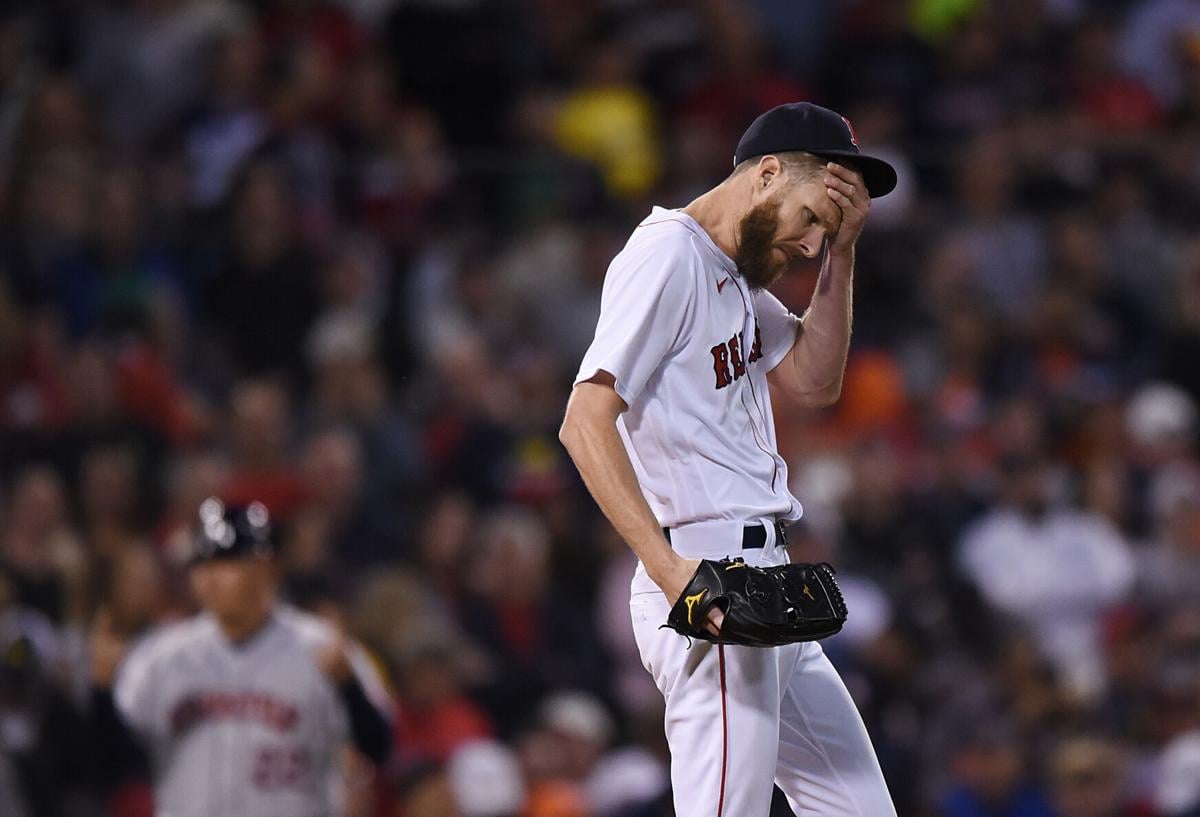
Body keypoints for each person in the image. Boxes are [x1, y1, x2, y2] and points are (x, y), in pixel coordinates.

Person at [559, 102, 898, 815]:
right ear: (768, 173)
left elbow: (813, 380)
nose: (809, 245)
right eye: (811, 217)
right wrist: (672, 572)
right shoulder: (669, 255)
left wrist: (844, 249)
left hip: (766, 586)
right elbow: (584, 420)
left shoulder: (735, 271)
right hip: (705, 581)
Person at [88, 497, 392, 817]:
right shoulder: (161, 656)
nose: (209, 577)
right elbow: (112, 767)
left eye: (225, 562)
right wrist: (102, 692)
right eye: (202, 564)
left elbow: (379, 750)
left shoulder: (323, 648)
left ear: (267, 568)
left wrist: (347, 686)